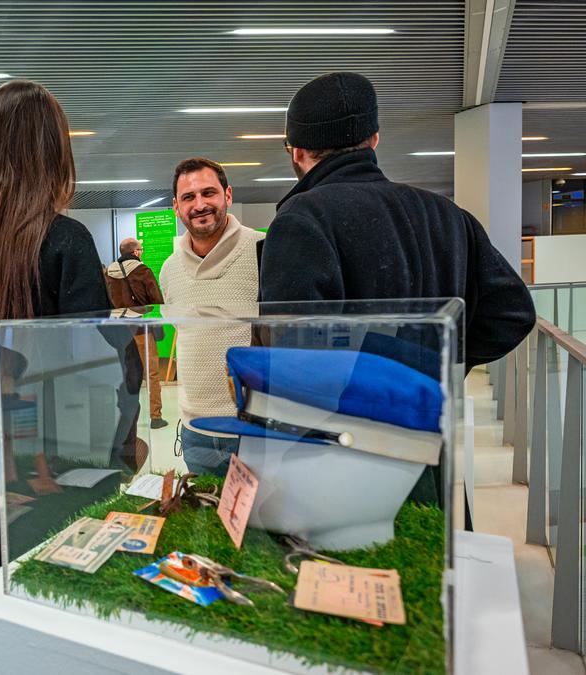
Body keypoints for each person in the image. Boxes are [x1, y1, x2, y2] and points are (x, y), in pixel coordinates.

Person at [0, 80, 113, 591]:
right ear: (53, 149)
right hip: (53, 437)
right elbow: (96, 364)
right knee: (58, 576)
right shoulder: (65, 239)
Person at [260, 72, 535, 371]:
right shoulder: (448, 214)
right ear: (374, 140)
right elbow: (513, 314)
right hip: (428, 411)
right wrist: (438, 363)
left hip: (343, 414)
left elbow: (291, 349)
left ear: (297, 152)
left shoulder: (301, 218)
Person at [159, 157, 265, 477]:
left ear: (228, 196)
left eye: (209, 193)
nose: (200, 204)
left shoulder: (263, 251)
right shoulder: (169, 269)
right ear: (177, 207)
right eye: (189, 197)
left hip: (254, 429)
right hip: (196, 432)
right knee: (203, 524)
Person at [105, 237, 167, 429]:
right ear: (135, 252)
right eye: (141, 249)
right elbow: (157, 299)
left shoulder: (108, 272)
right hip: (140, 328)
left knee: (123, 375)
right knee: (151, 373)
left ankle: (126, 419)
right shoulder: (142, 270)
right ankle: (155, 417)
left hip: (118, 331)